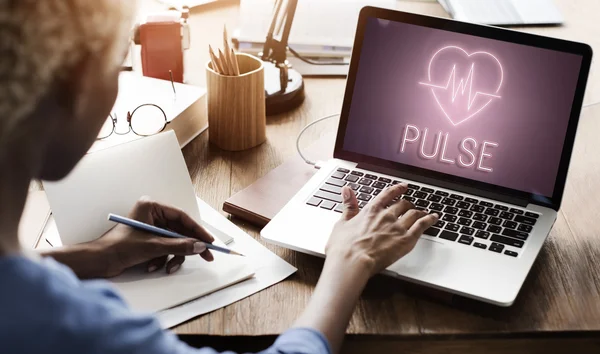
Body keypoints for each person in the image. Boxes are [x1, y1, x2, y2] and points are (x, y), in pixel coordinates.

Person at [0, 1, 438, 353]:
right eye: (117, 66)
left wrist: (96, 255)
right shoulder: (77, 328)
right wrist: (349, 262)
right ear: (72, 86)